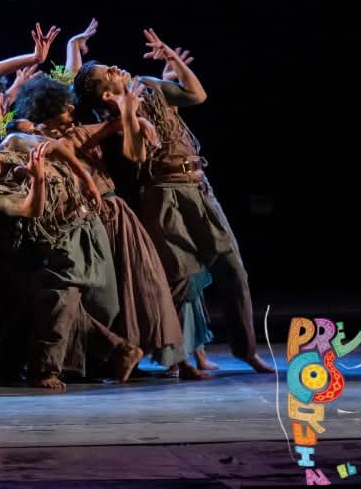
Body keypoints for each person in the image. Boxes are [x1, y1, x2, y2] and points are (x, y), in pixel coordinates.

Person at [73, 28, 272, 374]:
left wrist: (173, 58)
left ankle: (246, 350)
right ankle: (175, 359)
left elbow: (197, 95)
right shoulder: (113, 120)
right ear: (106, 94)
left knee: (233, 268)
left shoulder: (150, 86)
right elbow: (135, 155)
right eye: (109, 72)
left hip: (198, 186)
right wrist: (129, 114)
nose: (117, 67)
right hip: (163, 195)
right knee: (179, 278)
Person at [14, 73, 207, 380]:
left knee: (144, 287)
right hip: (91, 220)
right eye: (64, 109)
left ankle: (171, 359)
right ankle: (102, 360)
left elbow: (110, 127)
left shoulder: (75, 131)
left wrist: (137, 120)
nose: (71, 111)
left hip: (115, 214)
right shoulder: (47, 142)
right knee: (108, 297)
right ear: (47, 115)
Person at [0, 140, 142, 390]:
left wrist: (87, 180)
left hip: (88, 224)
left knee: (104, 306)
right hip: (60, 239)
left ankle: (120, 349)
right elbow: (31, 209)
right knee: (61, 300)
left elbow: (57, 147)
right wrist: (38, 178)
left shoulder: (12, 144)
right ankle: (47, 369)